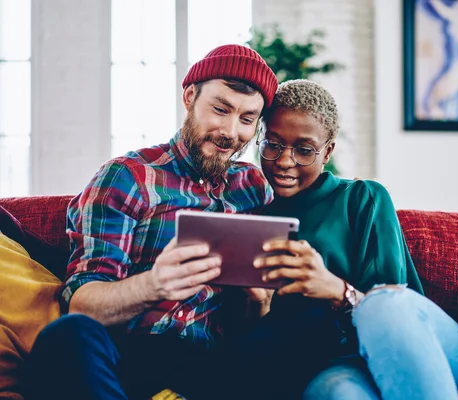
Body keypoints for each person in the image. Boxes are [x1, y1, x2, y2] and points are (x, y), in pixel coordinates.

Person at [24, 44, 280, 400]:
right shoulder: (128, 177)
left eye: (247, 119)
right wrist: (156, 284)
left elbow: (253, 325)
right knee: (67, 336)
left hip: (212, 366)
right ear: (190, 97)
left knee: (300, 329)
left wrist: (260, 304)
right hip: (129, 356)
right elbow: (82, 304)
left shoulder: (252, 188)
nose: (230, 131)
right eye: (220, 109)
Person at [252, 79, 458, 399]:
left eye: (304, 150)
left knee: (383, 305)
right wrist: (257, 305)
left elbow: (393, 306)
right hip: (338, 367)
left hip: (423, 348)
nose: (285, 161)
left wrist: (336, 290)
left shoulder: (362, 198)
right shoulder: (255, 222)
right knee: (338, 394)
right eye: (273, 143)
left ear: (327, 151)